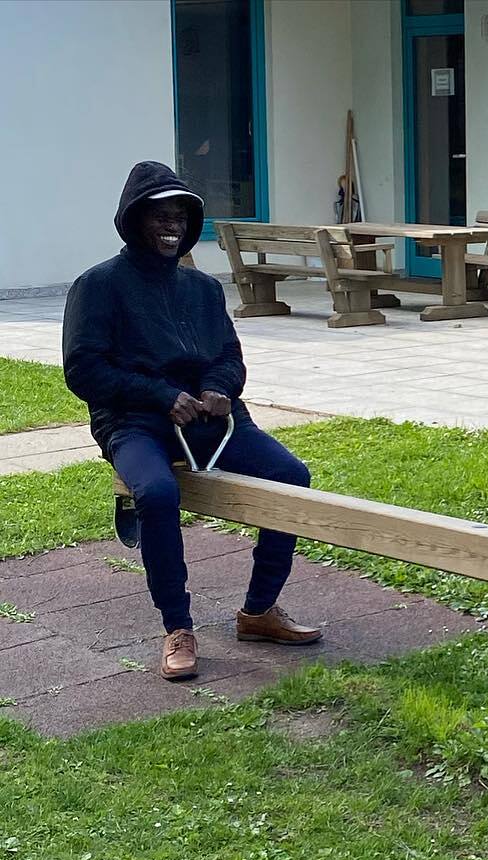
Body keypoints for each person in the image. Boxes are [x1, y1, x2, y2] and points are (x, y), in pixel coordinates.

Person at [63, 161, 323, 681]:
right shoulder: (99, 286)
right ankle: (177, 627)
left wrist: (219, 389)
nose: (172, 226)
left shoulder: (202, 289)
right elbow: (84, 369)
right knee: (158, 494)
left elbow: (229, 356)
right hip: (135, 421)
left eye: (180, 217)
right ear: (134, 220)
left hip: (210, 422)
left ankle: (258, 611)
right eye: (160, 215)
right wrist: (161, 395)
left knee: (292, 477)